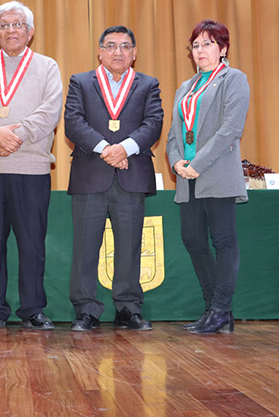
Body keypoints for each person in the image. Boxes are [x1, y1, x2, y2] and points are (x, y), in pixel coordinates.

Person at [0, 1, 63, 330]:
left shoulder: (48, 67)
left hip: (31, 169)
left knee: (32, 245)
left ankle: (33, 309)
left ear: (30, 32)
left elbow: (50, 112)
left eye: (17, 24)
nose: (11, 31)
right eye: (4, 26)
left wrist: (13, 136)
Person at [64, 25, 164, 332]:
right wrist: (107, 149)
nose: (117, 52)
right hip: (90, 176)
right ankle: (86, 310)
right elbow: (72, 122)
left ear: (134, 53)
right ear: (100, 51)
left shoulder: (148, 84)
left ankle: (128, 308)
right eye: (111, 46)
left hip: (131, 176)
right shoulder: (81, 81)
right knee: (84, 247)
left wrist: (125, 149)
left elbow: (154, 123)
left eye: (124, 46)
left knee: (130, 245)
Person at [166, 19, 250, 335]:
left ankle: (220, 310)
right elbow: (173, 136)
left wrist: (197, 163)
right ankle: (213, 310)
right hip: (187, 177)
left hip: (215, 173)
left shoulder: (233, 79)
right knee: (193, 240)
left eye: (208, 43)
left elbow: (231, 128)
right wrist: (177, 163)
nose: (200, 51)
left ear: (223, 48)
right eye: (196, 45)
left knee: (224, 241)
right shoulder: (185, 88)